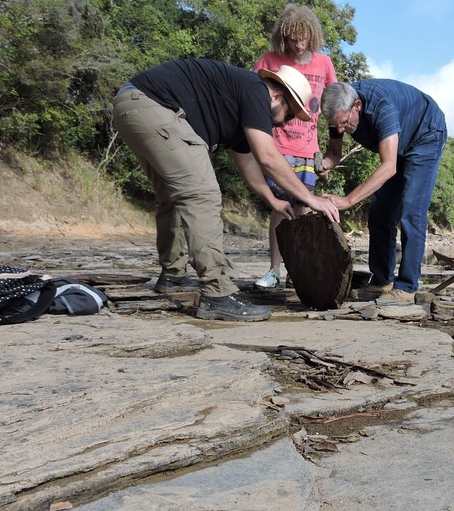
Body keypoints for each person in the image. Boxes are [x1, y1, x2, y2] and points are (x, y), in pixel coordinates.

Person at [113, 58, 339, 322]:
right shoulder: (256, 90)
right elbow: (267, 157)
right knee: (202, 194)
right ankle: (217, 294)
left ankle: (172, 276)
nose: (284, 124)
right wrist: (311, 199)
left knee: (171, 198)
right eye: (289, 114)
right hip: (153, 106)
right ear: (277, 96)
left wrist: (272, 199)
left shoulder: (240, 105)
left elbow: (250, 165)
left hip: (131, 104)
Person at [319, 80, 447, 304]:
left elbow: (388, 167)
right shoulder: (338, 112)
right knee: (380, 213)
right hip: (399, 144)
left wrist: (348, 200)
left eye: (344, 124)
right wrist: (322, 165)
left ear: (357, 106)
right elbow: (334, 153)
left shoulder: (382, 107)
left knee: (411, 210)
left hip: (425, 134)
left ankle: (406, 287)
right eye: (334, 125)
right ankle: (382, 281)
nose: (339, 130)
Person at [252, 4, 338, 289]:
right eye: (293, 40)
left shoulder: (324, 63)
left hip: (308, 149)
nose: (299, 45)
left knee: (302, 209)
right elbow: (251, 97)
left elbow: (333, 106)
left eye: (303, 39)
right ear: (283, 37)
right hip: (277, 145)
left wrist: (330, 155)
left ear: (312, 36)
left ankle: (295, 270)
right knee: (280, 207)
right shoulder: (270, 60)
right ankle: (274, 270)